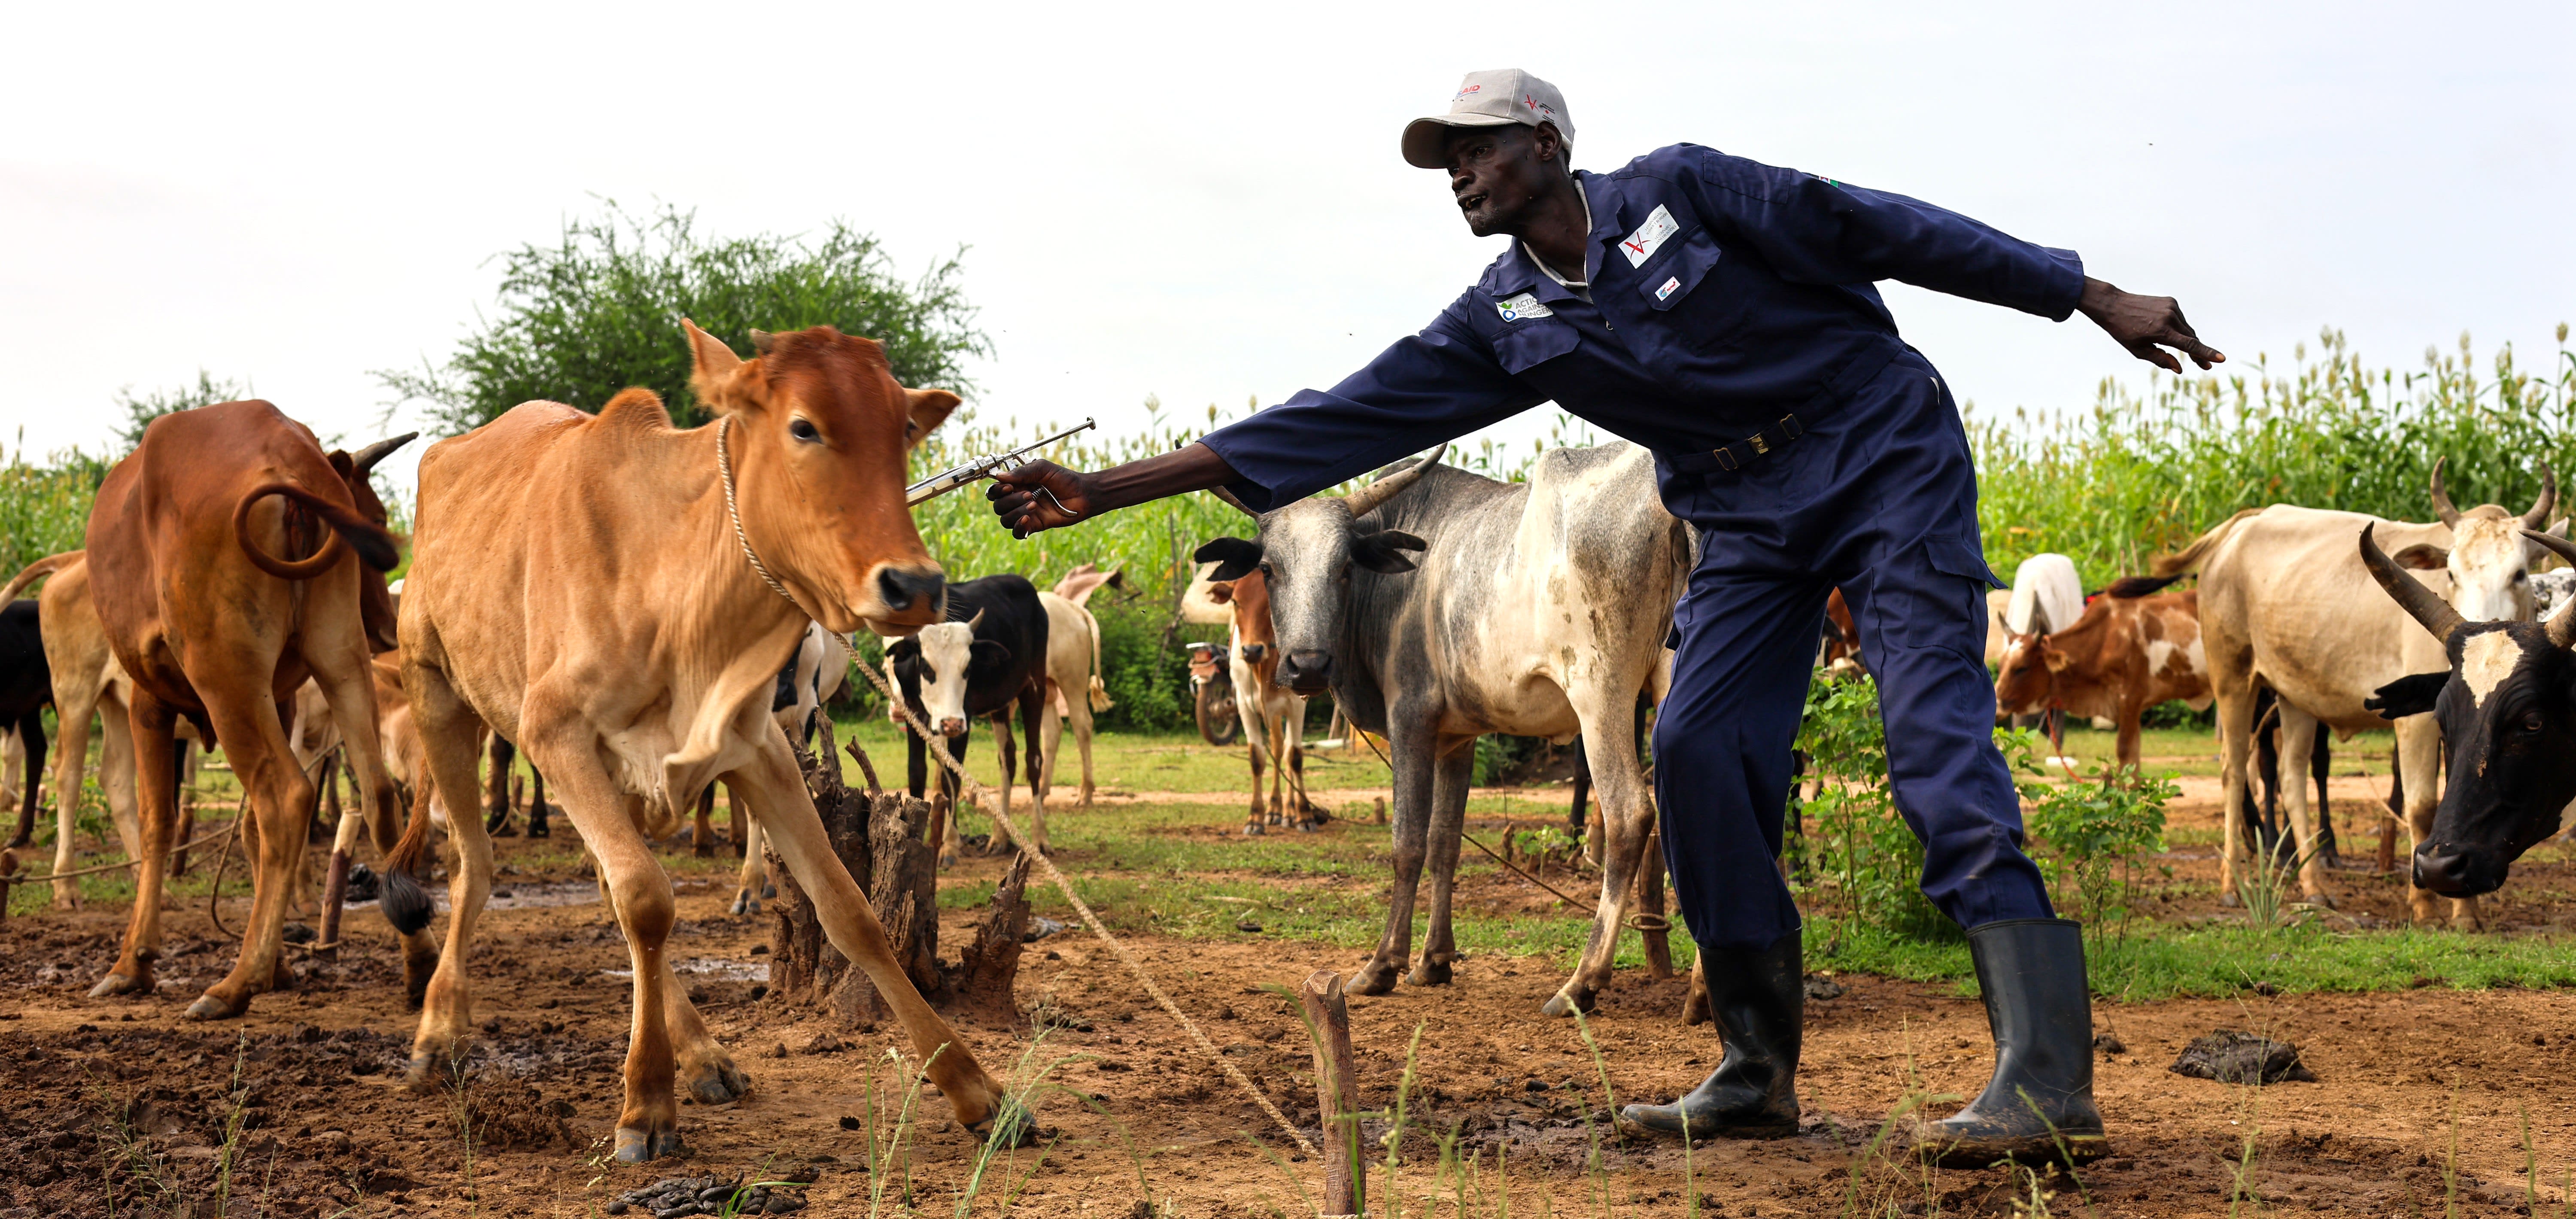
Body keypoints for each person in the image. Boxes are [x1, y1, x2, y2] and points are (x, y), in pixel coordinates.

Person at [986, 69, 2221, 1167]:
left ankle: (2045, 1082)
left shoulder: (1685, 192)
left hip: (1879, 455)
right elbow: (1341, 414)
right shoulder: (1504, 318)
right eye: (1445, 161)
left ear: (1548, 144)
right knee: (1695, 749)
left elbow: (1883, 228)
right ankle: (1755, 1070)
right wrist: (1104, 487)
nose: (1459, 174)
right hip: (1740, 515)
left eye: (1477, 148)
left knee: (1934, 743)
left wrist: (2084, 292)